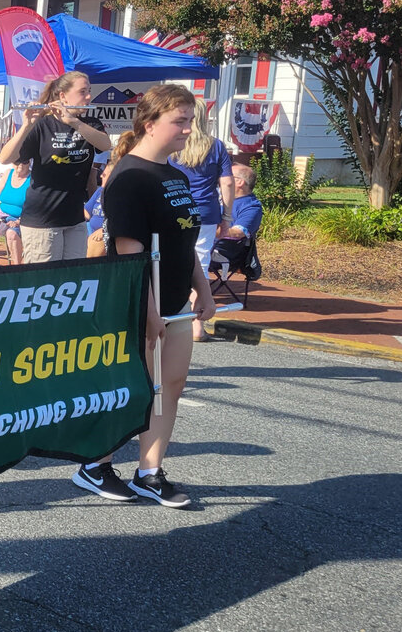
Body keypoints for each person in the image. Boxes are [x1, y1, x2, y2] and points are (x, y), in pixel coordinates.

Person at [71, 84, 214, 508]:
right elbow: (131, 252)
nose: (189, 130)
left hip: (174, 303)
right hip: (139, 303)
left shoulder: (175, 175)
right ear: (150, 124)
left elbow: (183, 243)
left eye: (191, 121)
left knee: (170, 385)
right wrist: (148, 311)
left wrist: (202, 289)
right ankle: (95, 464)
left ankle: (150, 472)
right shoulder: (130, 176)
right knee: (131, 387)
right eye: (180, 121)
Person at [0, 71, 112, 263]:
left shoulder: (90, 124)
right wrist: (26, 125)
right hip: (42, 218)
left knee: (73, 279)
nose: (88, 96)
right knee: (45, 282)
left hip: (74, 218)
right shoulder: (43, 125)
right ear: (62, 96)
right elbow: (5, 158)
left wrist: (74, 122)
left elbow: (105, 144)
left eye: (89, 91)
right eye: (83, 91)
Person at [171, 101, 235, 340]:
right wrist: (227, 216)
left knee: (174, 260)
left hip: (176, 209)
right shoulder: (216, 146)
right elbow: (227, 182)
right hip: (206, 212)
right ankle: (197, 325)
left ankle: (174, 315)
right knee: (201, 263)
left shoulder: (175, 145)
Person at [210, 164, 262, 272]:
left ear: (239, 182)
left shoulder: (251, 207)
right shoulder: (217, 196)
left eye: (226, 176)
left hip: (219, 251)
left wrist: (206, 230)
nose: (221, 179)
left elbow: (238, 233)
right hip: (201, 243)